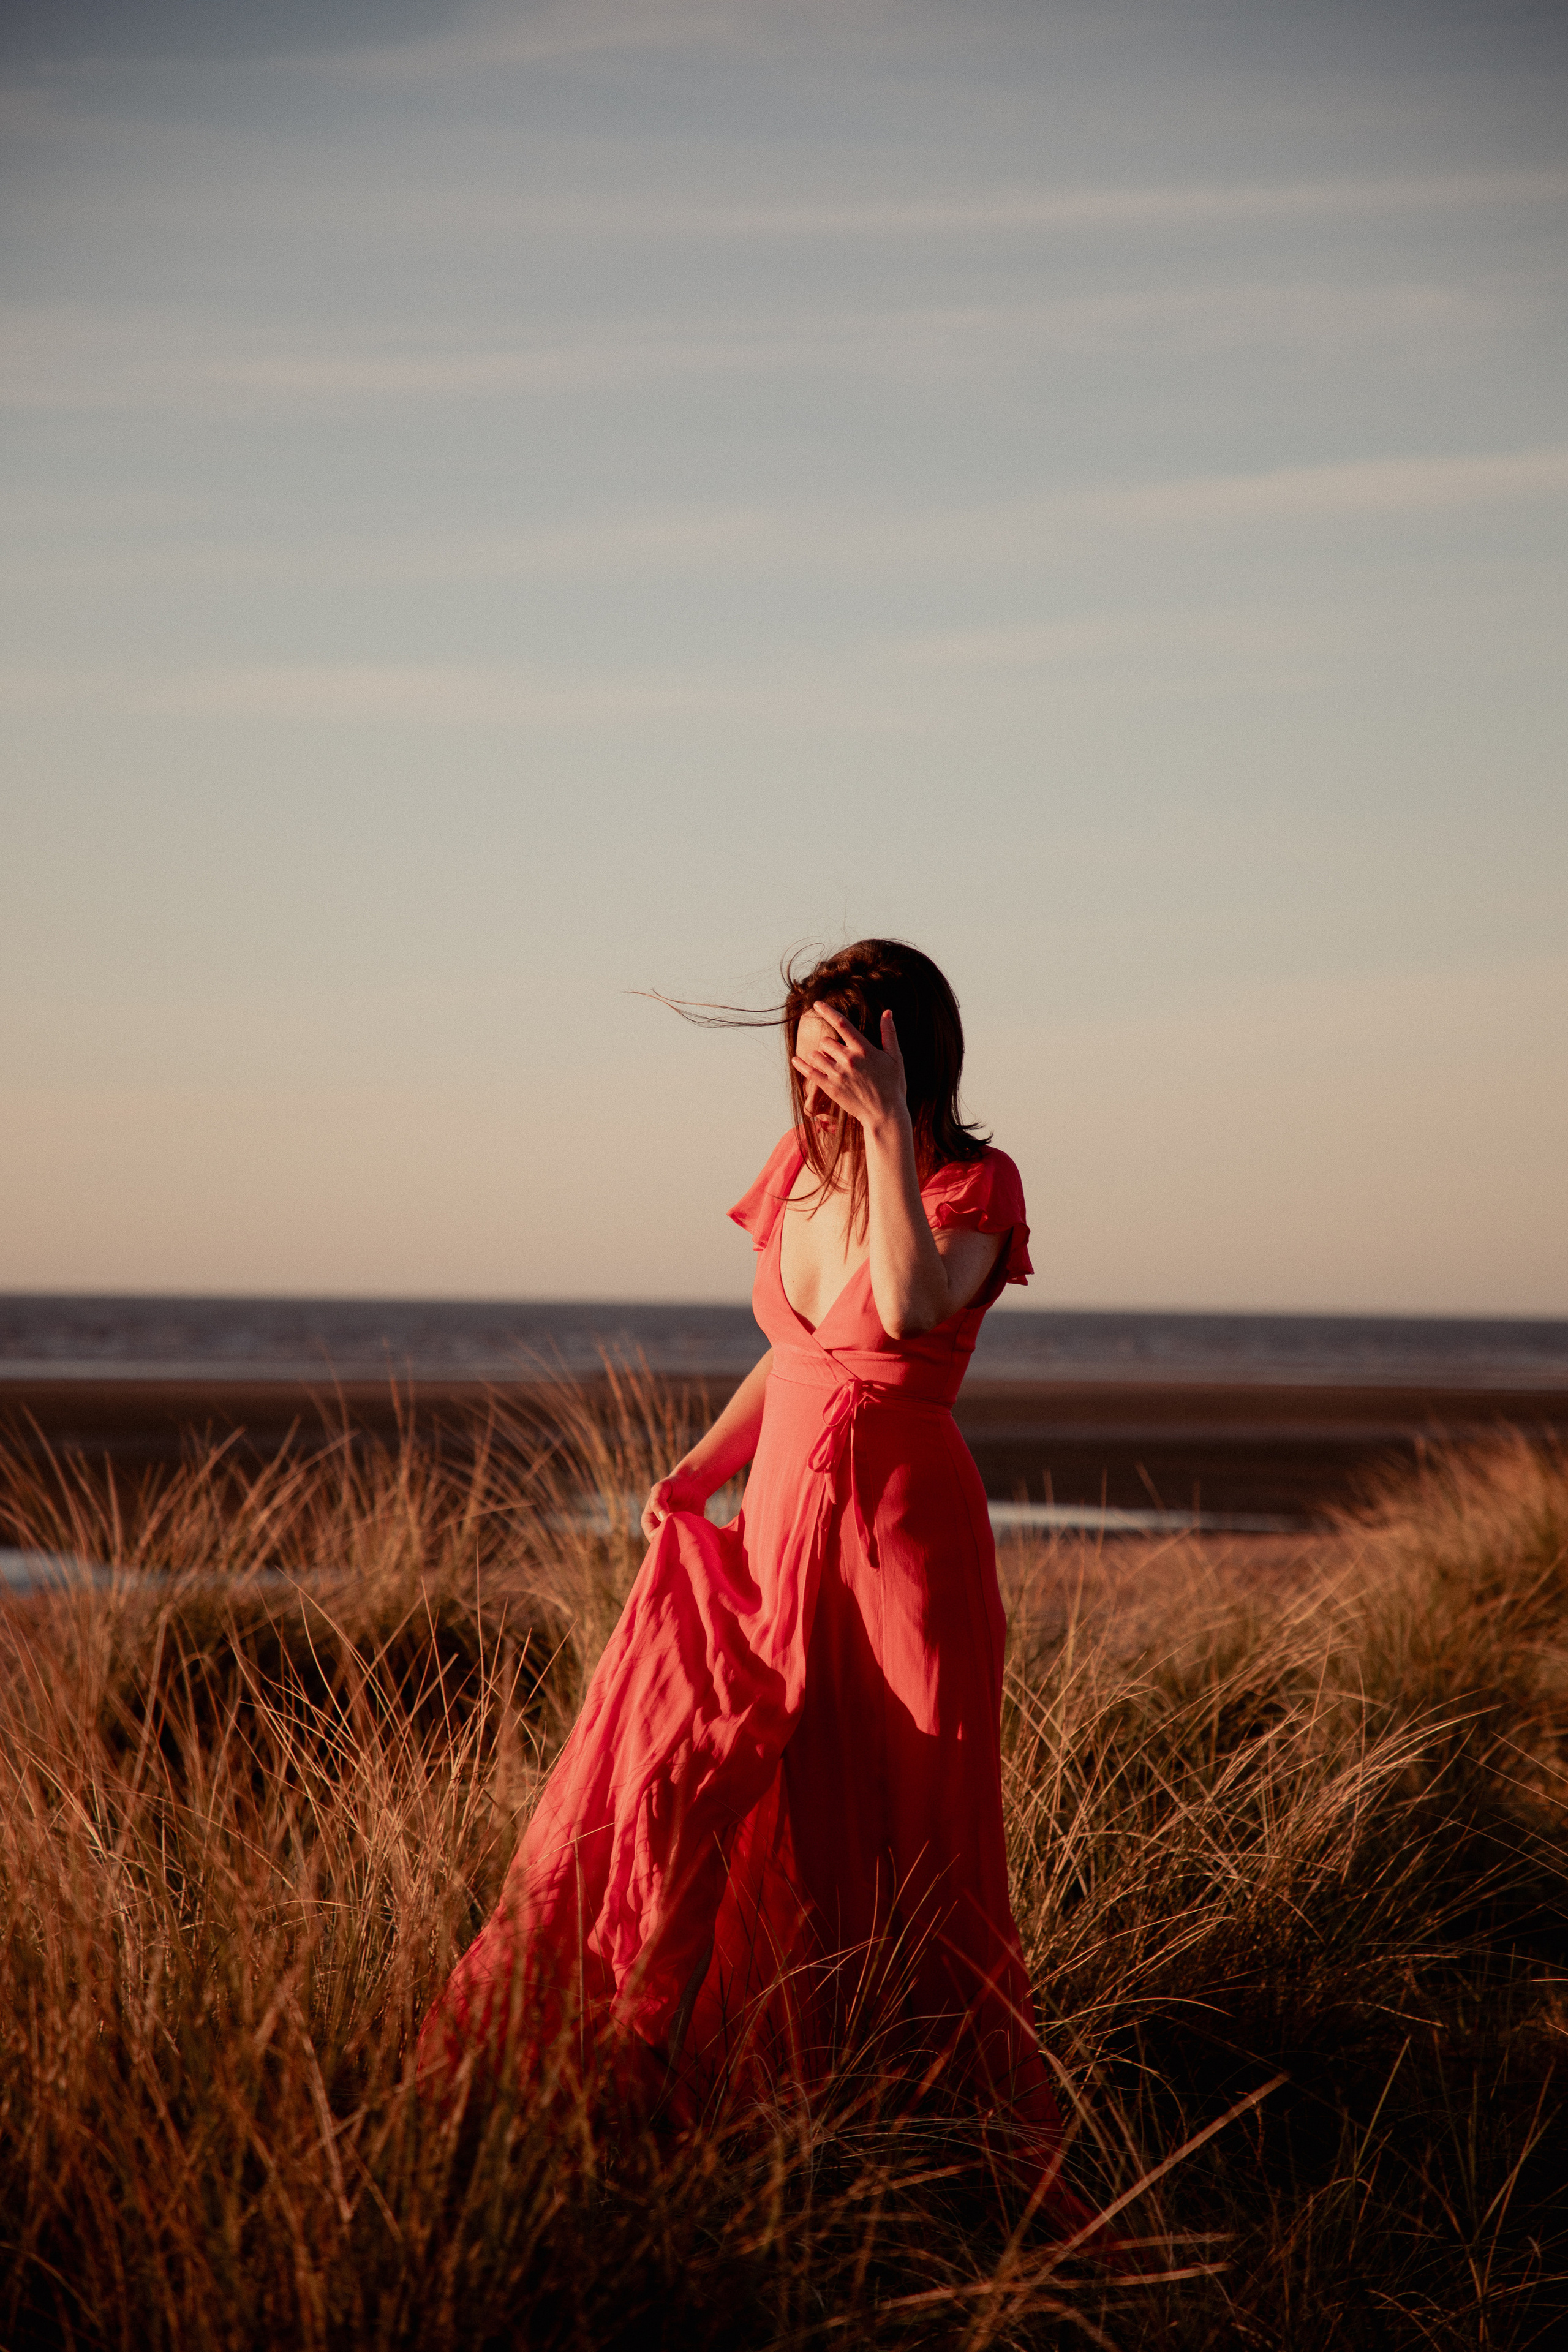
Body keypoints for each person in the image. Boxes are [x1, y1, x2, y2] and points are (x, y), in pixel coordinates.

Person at [418, 938, 1090, 2223]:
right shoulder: (791, 1172)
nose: (818, 1084)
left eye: (844, 1058)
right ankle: (766, 2102)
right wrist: (690, 1471)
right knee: (756, 1801)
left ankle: (928, 2130)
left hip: (904, 1546)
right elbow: (791, 1360)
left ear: (906, 1053)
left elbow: (895, 1313)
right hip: (782, 1526)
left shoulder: (971, 1185)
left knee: (910, 1819)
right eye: (808, 1059)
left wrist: (893, 1133)